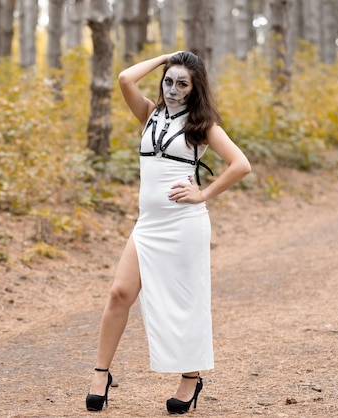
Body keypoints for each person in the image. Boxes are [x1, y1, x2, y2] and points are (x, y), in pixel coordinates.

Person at [85, 51, 251, 414]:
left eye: (182, 84)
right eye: (169, 81)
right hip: (148, 225)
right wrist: (166, 58)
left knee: (184, 302)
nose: (173, 89)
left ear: (194, 89)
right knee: (119, 293)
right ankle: (101, 374)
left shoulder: (202, 125)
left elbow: (241, 165)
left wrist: (203, 193)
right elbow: (126, 78)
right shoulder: (149, 113)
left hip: (184, 226)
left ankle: (190, 379)